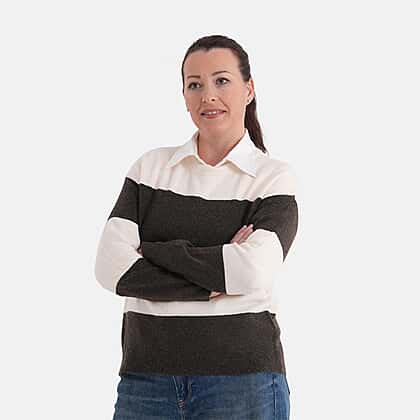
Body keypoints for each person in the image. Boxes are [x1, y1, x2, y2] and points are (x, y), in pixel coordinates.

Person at [94, 34, 298, 420]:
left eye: (222, 81)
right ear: (184, 96)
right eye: (195, 84)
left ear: (249, 90)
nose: (208, 96)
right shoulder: (150, 170)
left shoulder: (272, 178)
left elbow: (253, 271)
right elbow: (110, 268)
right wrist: (214, 281)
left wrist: (155, 251)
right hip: (146, 381)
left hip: (243, 383)